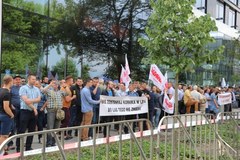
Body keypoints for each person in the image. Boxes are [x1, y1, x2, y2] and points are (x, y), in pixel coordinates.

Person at [16, 74, 41, 152]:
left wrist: (31, 100)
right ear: (28, 79)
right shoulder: (23, 88)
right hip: (25, 111)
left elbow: (39, 99)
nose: (34, 80)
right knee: (22, 130)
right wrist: (34, 107)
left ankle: (28, 147)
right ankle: (19, 148)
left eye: (35, 79)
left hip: (33, 113)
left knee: (31, 130)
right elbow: (26, 101)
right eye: (33, 79)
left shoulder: (37, 89)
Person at [42, 80, 68, 147]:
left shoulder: (60, 92)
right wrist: (50, 84)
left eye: (56, 84)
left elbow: (68, 93)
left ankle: (53, 142)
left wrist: (65, 86)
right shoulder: (49, 91)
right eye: (54, 84)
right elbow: (43, 90)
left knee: (57, 127)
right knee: (50, 127)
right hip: (51, 110)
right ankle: (49, 142)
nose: (55, 85)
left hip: (59, 110)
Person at [0, 75, 14, 155]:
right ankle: (1, 152)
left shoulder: (0, 90)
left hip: (0, 114)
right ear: (10, 81)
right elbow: (6, 107)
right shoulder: (6, 93)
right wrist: (11, 115)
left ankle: (4, 150)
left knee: (1, 134)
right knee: (4, 135)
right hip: (5, 116)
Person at [60, 76, 76, 140]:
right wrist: (73, 97)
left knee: (66, 121)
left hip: (66, 106)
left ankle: (63, 134)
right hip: (64, 106)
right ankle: (58, 132)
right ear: (69, 81)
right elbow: (67, 99)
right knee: (66, 121)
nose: (73, 82)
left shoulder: (67, 87)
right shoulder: (65, 88)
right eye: (72, 81)